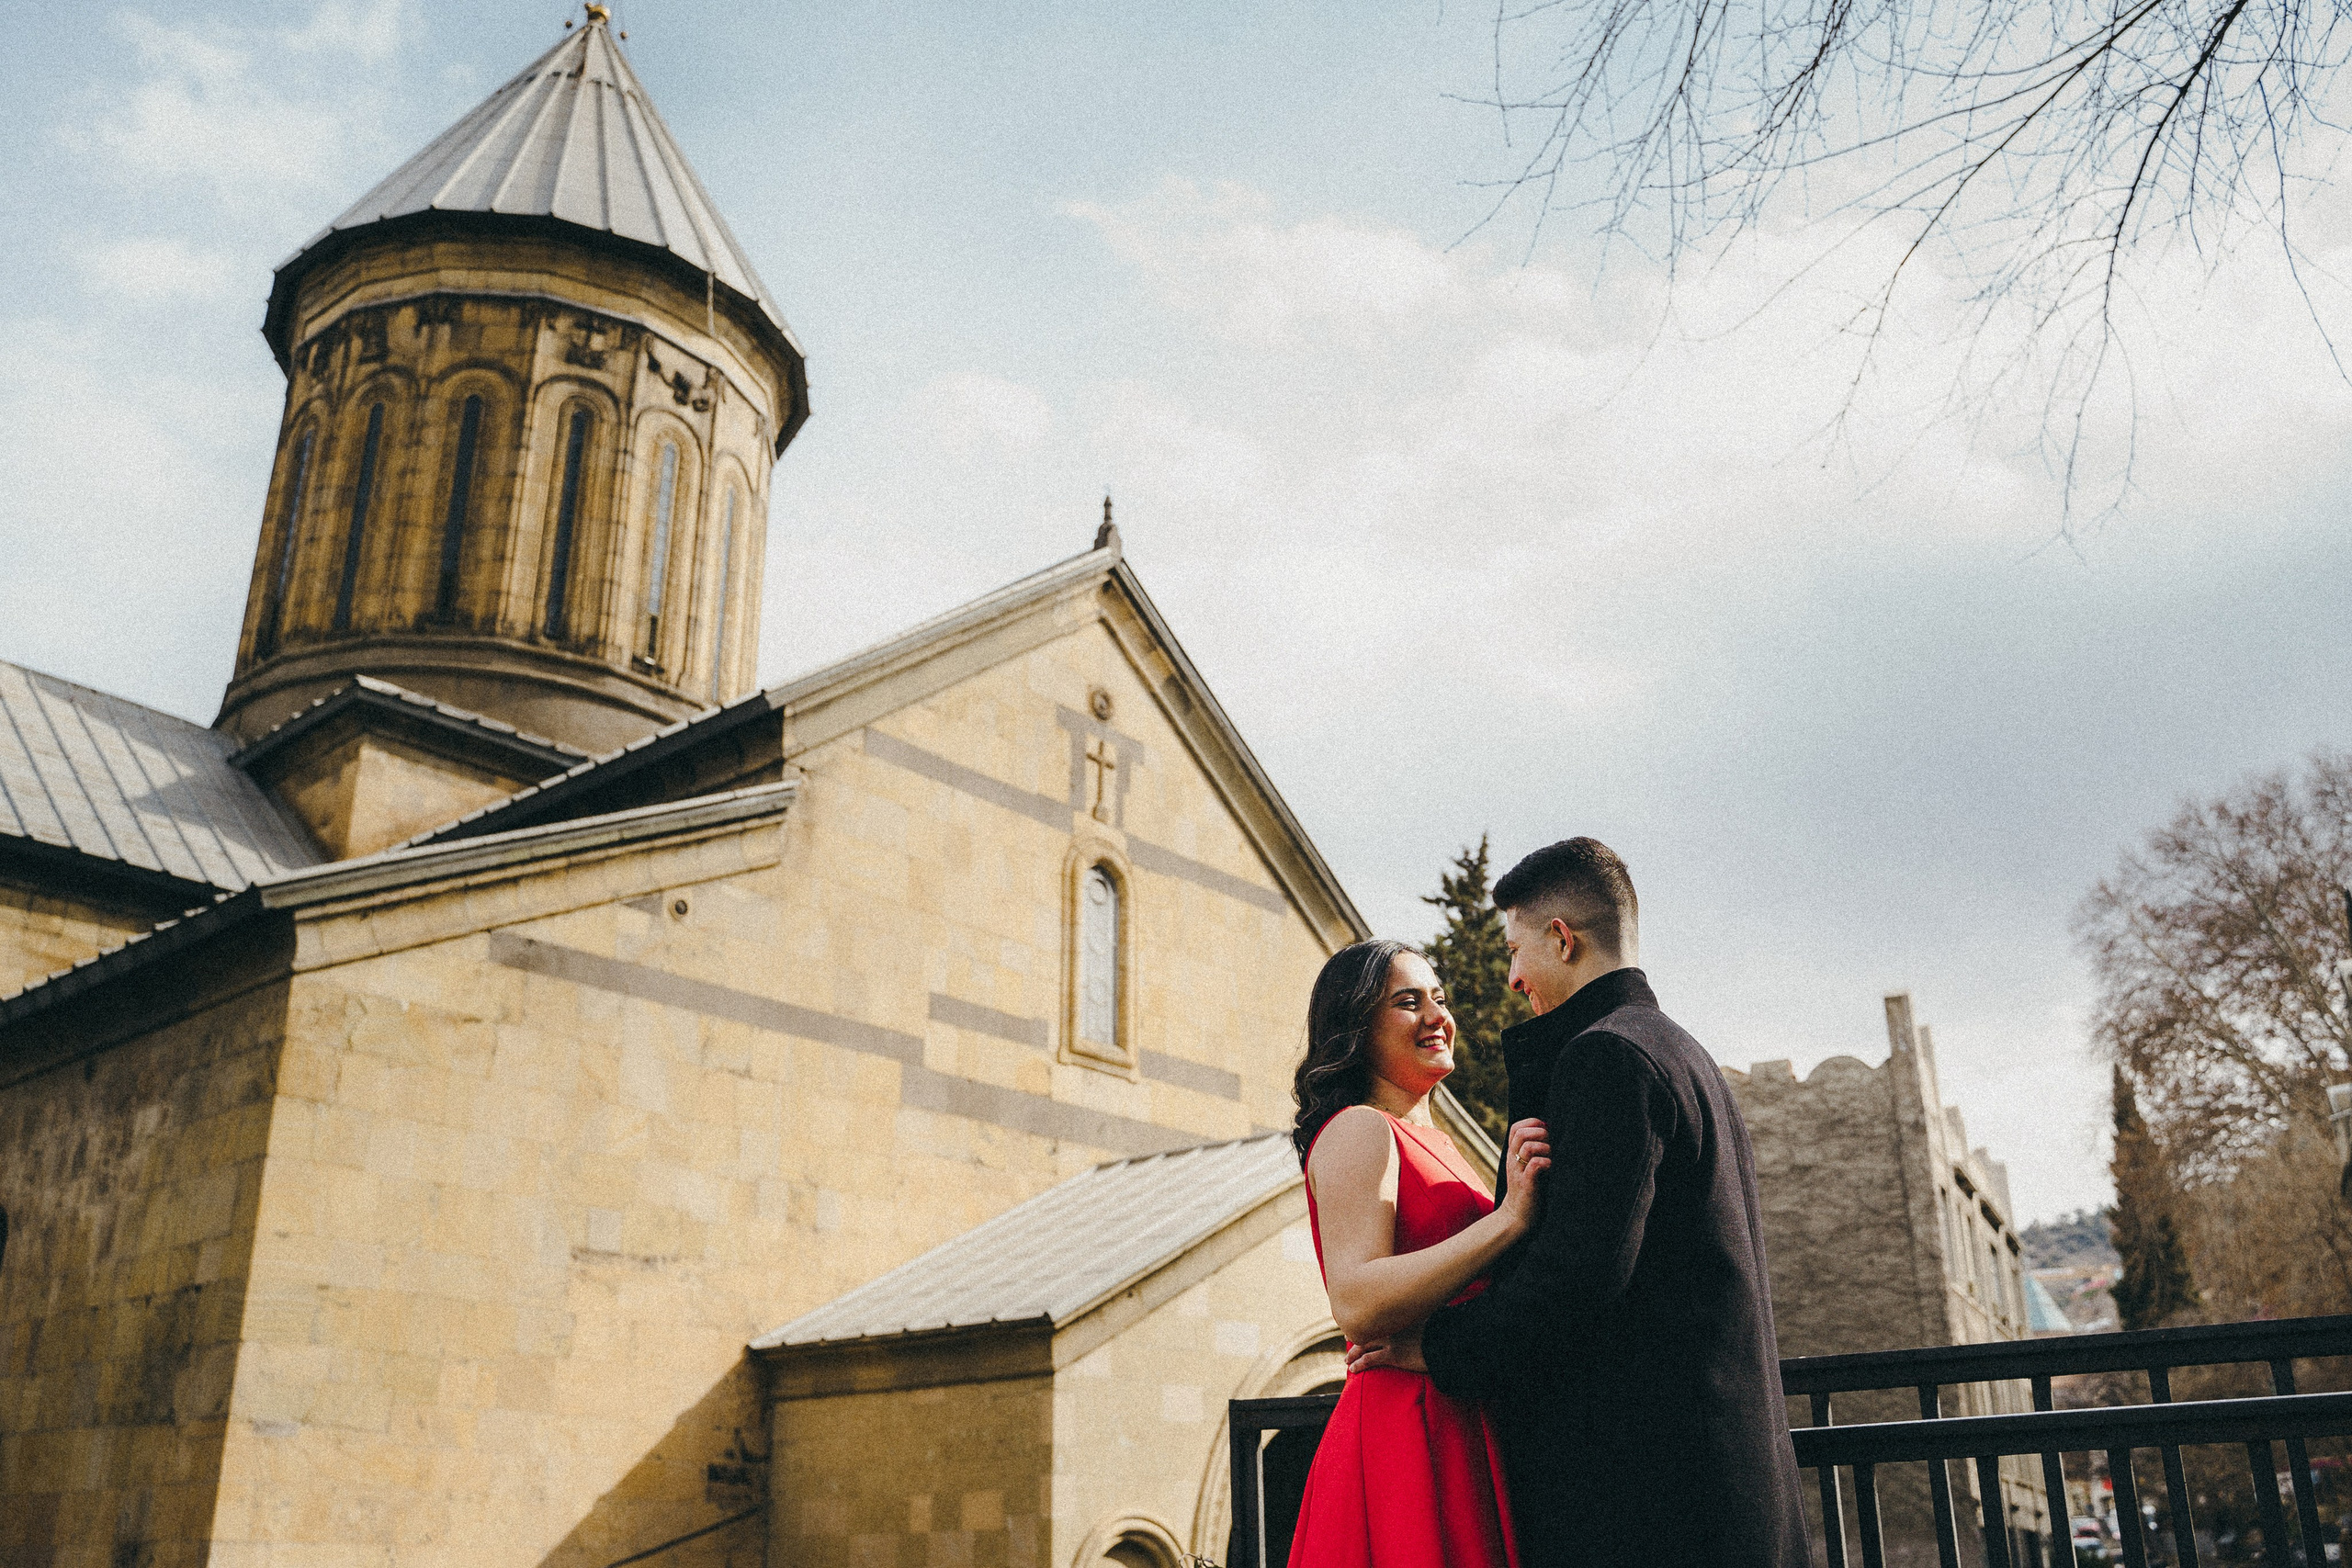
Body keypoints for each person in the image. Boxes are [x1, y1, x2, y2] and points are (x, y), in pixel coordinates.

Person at [1349, 838, 1810, 1568]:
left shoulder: (1606, 1057)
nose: (1510, 977)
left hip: (1653, 1501)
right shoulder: (1683, 1052)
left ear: (1561, 940)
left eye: (1515, 951)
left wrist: (1434, 1349)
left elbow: (1579, 1275)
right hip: (1724, 1484)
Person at [1283, 939, 1555, 1568]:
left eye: (1439, 998)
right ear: (1357, 1028)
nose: (1437, 1016)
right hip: (1403, 1432)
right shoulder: (1360, 1127)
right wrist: (1511, 1219)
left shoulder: (1436, 1139)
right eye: (1408, 1002)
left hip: (1456, 1410)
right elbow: (1355, 1298)